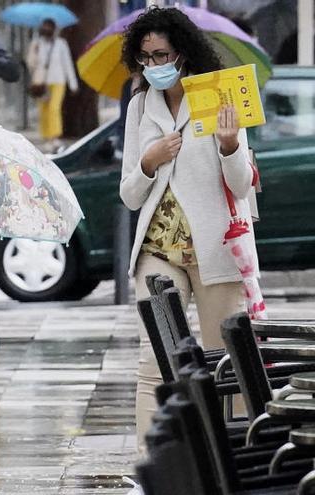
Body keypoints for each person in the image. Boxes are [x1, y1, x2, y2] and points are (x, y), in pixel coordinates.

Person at [119, 7, 254, 454]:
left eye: (162, 55)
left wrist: (230, 145)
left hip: (216, 248)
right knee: (154, 360)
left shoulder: (218, 95)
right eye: (145, 58)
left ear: (183, 51)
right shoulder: (140, 105)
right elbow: (130, 195)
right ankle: (151, 464)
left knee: (226, 361)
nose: (155, 65)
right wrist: (148, 160)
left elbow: (240, 185)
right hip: (159, 248)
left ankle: (229, 460)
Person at [25, 19, 79, 153]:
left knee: (54, 108)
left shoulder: (61, 44)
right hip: (42, 83)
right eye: (45, 26)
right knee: (43, 109)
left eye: (50, 27)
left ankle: (55, 137)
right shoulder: (37, 44)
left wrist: (73, 83)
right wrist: (34, 50)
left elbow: (67, 64)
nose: (47, 29)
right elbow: (30, 64)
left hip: (58, 81)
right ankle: (46, 137)